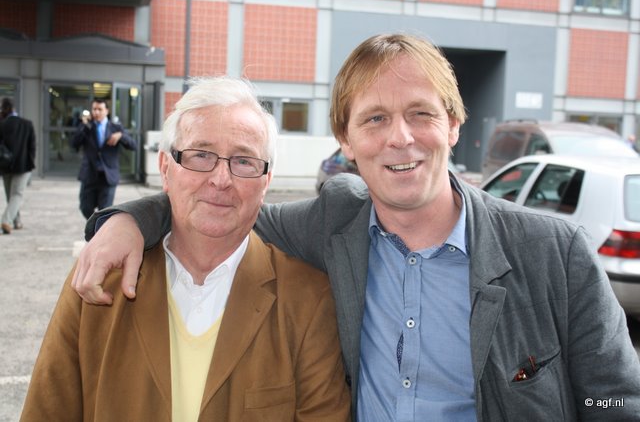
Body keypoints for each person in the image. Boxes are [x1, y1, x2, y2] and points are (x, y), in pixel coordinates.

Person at [72, 34, 640, 420]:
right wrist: (127, 220)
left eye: (421, 113)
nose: (400, 138)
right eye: (375, 119)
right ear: (345, 140)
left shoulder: (554, 255)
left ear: (453, 125)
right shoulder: (332, 221)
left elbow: (617, 403)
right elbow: (224, 203)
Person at [21, 77, 350, 421]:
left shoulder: (307, 300)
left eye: (243, 161)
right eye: (200, 155)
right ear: (166, 168)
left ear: (266, 181)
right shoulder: (98, 279)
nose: (221, 179)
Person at [72, 98, 136, 219]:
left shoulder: (116, 128)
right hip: (89, 174)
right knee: (85, 208)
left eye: (99, 109)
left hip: (108, 176)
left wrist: (121, 136)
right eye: (94, 109)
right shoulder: (87, 126)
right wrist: (84, 126)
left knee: (105, 212)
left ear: (106, 111)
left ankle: (99, 230)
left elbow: (133, 145)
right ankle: (95, 227)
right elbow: (74, 144)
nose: (96, 112)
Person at [0, 98, 36, 234]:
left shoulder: (2, 124)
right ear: (14, 108)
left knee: (11, 195)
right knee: (16, 195)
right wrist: (30, 162)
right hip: (23, 166)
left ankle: (16, 221)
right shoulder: (27, 124)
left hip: (5, 166)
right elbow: (32, 147)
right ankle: (6, 221)